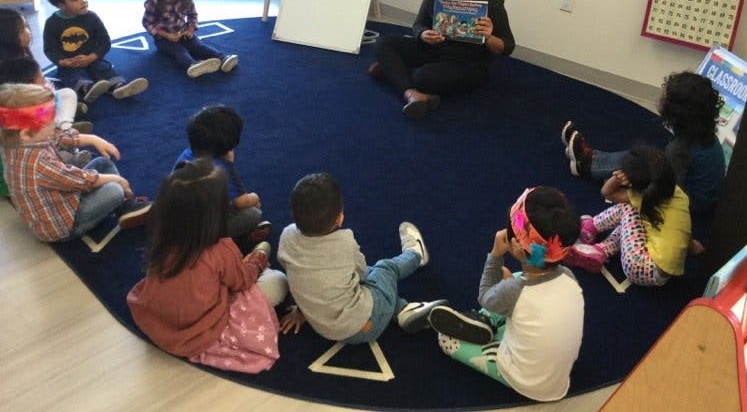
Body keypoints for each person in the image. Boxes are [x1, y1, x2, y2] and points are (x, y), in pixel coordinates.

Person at [127, 158, 287, 373]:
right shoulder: (219, 249)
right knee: (278, 282)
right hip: (202, 331)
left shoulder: (162, 239)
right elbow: (242, 281)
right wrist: (259, 258)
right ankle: (259, 253)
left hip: (158, 323)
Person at [426, 186, 583, 403]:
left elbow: (484, 295)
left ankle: (488, 325)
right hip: (558, 379)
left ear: (517, 247)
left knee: (445, 339)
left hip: (525, 381)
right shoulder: (568, 276)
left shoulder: (515, 291)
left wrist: (495, 255)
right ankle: (490, 323)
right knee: (518, 282)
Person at [563, 70, 725, 255]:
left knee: (639, 161)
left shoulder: (679, 149)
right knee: (644, 157)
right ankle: (591, 158)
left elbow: (668, 191)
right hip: (703, 195)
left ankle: (586, 165)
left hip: (693, 203)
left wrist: (638, 185)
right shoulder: (702, 133)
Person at [277, 172, 448, 342]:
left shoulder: (287, 236)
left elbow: (294, 273)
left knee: (348, 281)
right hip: (367, 324)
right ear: (340, 218)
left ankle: (403, 311)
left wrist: (301, 311)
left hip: (323, 327)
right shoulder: (344, 243)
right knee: (384, 269)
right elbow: (361, 272)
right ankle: (415, 255)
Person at [369, 0, 515, 119]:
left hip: (469, 63)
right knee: (382, 43)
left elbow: (508, 47)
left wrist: (488, 37)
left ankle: (393, 70)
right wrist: (423, 34)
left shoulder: (492, 0)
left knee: (423, 77)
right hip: (435, 50)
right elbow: (418, 25)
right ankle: (411, 93)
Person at [0, 83, 152, 242]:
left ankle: (123, 205)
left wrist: (93, 139)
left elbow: (59, 137)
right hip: (65, 226)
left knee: (102, 164)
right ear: (25, 133)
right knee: (115, 189)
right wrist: (118, 180)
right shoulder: (38, 163)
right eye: (49, 122)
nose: (55, 124)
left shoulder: (19, 142)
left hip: (62, 197)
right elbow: (81, 180)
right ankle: (122, 202)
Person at [566, 145, 691, 286]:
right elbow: (682, 230)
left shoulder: (641, 198)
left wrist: (618, 177)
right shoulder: (680, 196)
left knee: (628, 210)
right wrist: (692, 245)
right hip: (662, 274)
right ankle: (602, 250)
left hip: (639, 266)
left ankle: (589, 229)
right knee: (632, 226)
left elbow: (606, 192)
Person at [37, 0, 148, 104]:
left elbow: (104, 41)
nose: (83, 0)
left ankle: (119, 86)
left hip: (92, 58)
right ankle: (87, 89)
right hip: (70, 64)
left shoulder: (92, 17)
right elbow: (50, 49)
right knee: (72, 75)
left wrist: (92, 57)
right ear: (61, 5)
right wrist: (62, 61)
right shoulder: (52, 23)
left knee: (102, 68)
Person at [174, 104, 271, 242]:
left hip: (176, 217)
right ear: (230, 144)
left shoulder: (187, 153)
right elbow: (242, 202)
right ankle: (232, 240)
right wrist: (255, 197)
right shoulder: (221, 169)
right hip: (199, 230)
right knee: (254, 213)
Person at [142, 0, 238, 78]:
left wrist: (190, 29)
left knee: (198, 46)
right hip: (164, 40)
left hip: (183, 34)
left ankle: (223, 58)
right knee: (179, 51)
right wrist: (166, 35)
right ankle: (192, 65)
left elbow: (192, 15)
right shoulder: (154, 2)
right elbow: (147, 23)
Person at [0, 7, 87, 130]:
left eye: (26, 26)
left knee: (67, 93)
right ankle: (63, 128)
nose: (28, 32)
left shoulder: (21, 55)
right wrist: (46, 92)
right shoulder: (10, 69)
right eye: (22, 30)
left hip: (38, 104)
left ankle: (62, 123)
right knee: (63, 97)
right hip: (31, 113)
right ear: (7, 37)